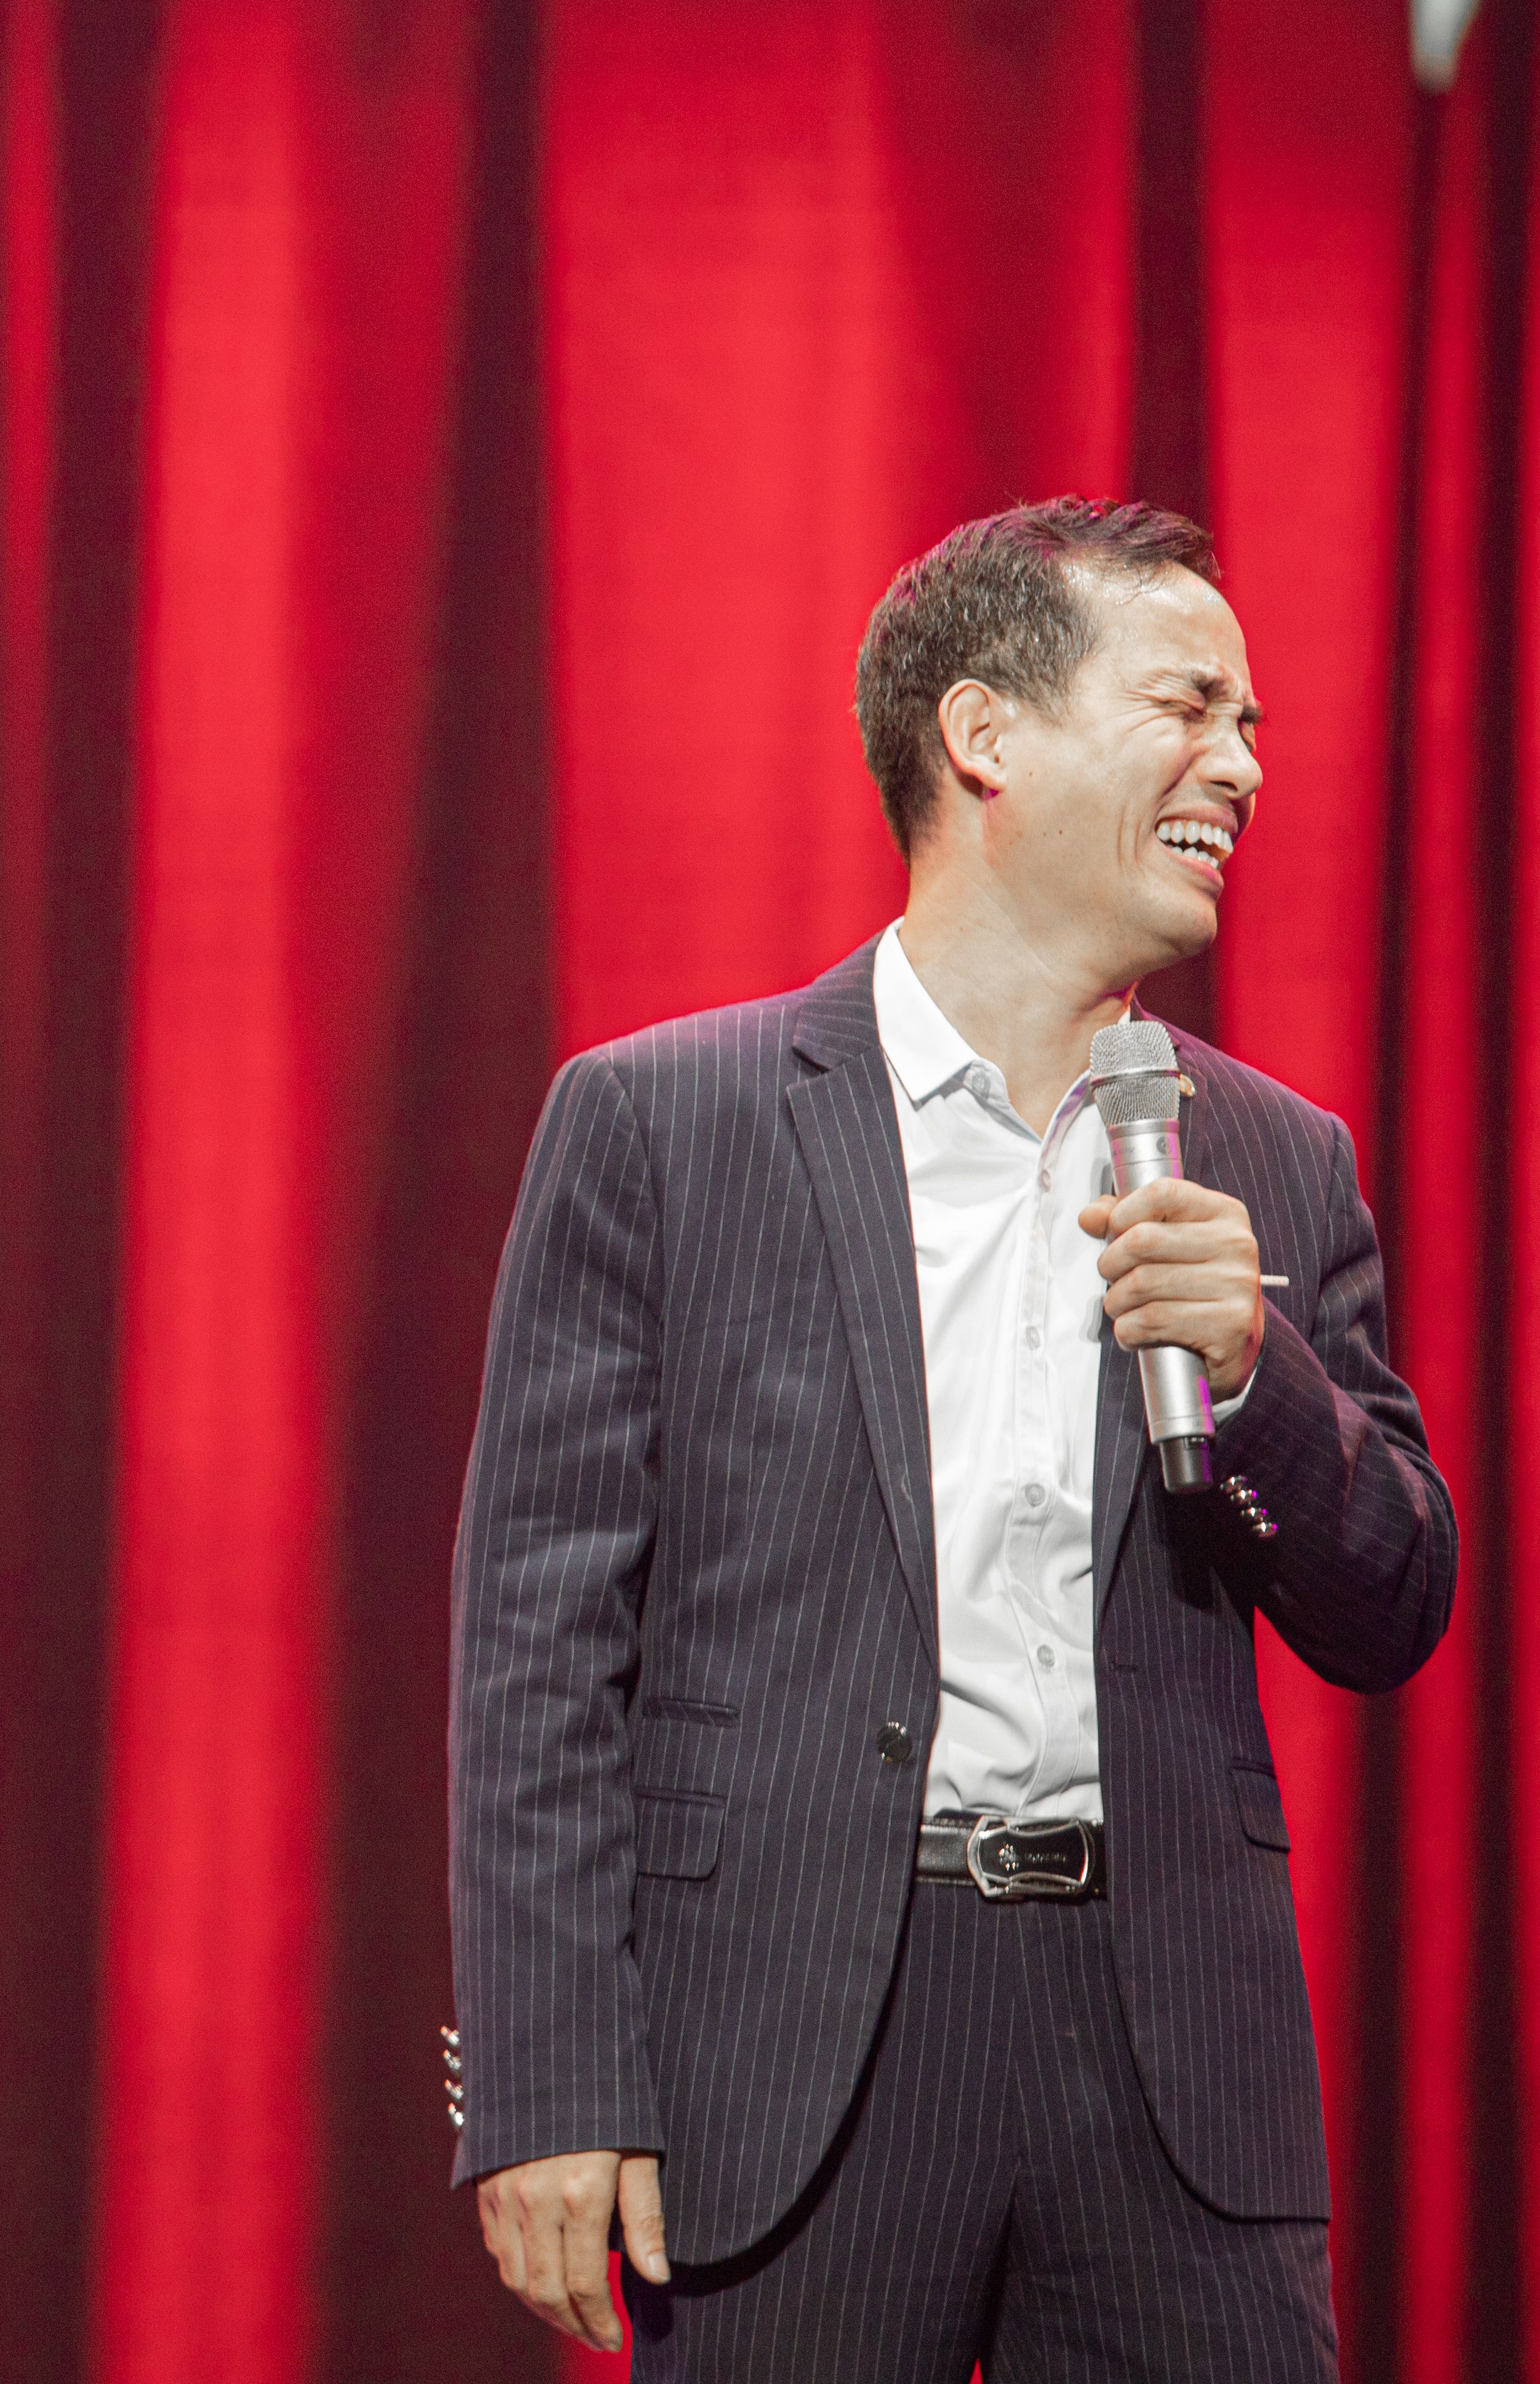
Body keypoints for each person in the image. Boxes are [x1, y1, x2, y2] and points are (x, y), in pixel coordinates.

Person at [446, 500, 1453, 2378]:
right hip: (798, 2040)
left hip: (1168, 2053)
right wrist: (547, 2069)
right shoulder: (667, 1125)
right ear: (984, 734)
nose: (1242, 768)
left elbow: (1394, 1599)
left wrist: (1257, 1376)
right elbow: (538, 1646)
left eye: (1251, 725)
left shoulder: (1273, 1157)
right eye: (1189, 707)